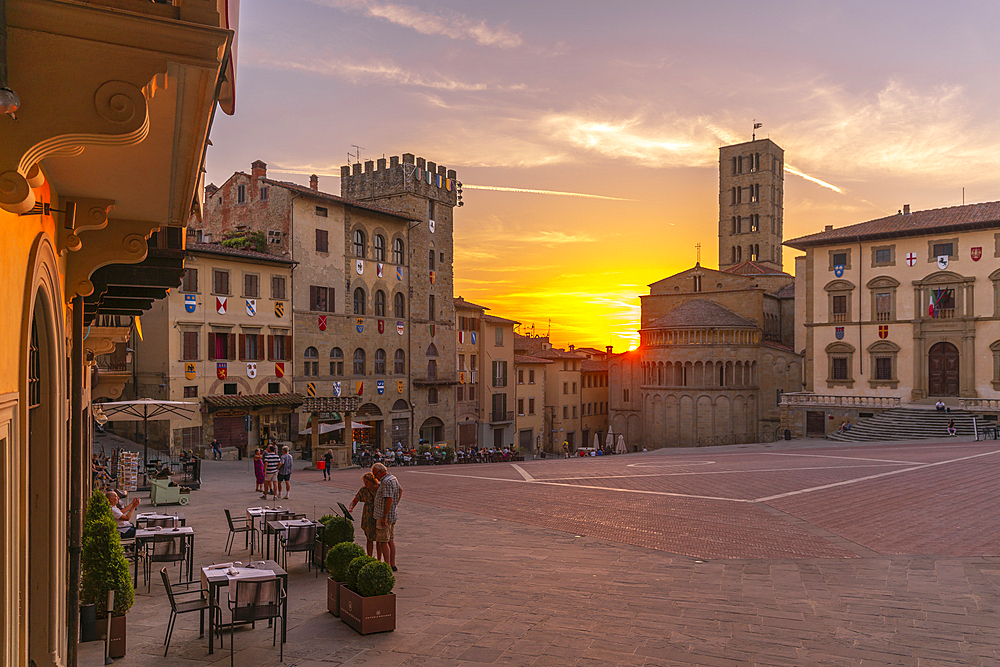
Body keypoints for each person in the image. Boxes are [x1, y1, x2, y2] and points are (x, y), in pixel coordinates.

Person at [371, 462, 401, 571]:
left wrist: (384, 516)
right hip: (392, 514)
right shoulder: (393, 478)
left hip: (384, 516)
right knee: (390, 540)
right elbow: (400, 490)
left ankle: (387, 566)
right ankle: (392, 564)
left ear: (381, 472)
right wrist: (394, 505)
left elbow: (389, 499)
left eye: (375, 474)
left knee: (384, 541)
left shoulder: (386, 482)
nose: (375, 477)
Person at [348, 472, 380, 557]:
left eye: (367, 482)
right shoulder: (363, 490)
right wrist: (351, 508)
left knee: (379, 539)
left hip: (378, 514)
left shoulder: (379, 488)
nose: (365, 484)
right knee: (369, 538)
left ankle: (379, 559)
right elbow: (354, 500)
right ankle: (369, 557)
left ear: (372, 481)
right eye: (364, 482)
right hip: (368, 515)